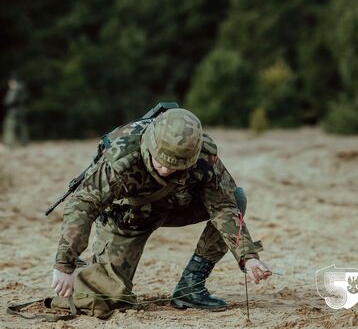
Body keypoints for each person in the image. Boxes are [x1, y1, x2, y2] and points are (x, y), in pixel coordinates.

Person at [51, 108, 271, 315]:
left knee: (236, 198)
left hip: (176, 205)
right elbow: (82, 205)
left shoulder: (204, 156)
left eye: (176, 165)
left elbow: (223, 207)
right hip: (127, 221)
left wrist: (247, 256)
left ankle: (190, 287)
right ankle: (84, 271)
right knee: (108, 298)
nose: (166, 170)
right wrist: (65, 263)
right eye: (161, 161)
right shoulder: (123, 155)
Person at [3, 73, 29, 148]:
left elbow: (10, 101)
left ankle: (9, 145)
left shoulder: (15, 88)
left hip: (13, 111)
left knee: (9, 128)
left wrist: (5, 102)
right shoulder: (23, 87)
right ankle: (24, 143)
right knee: (22, 127)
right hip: (22, 110)